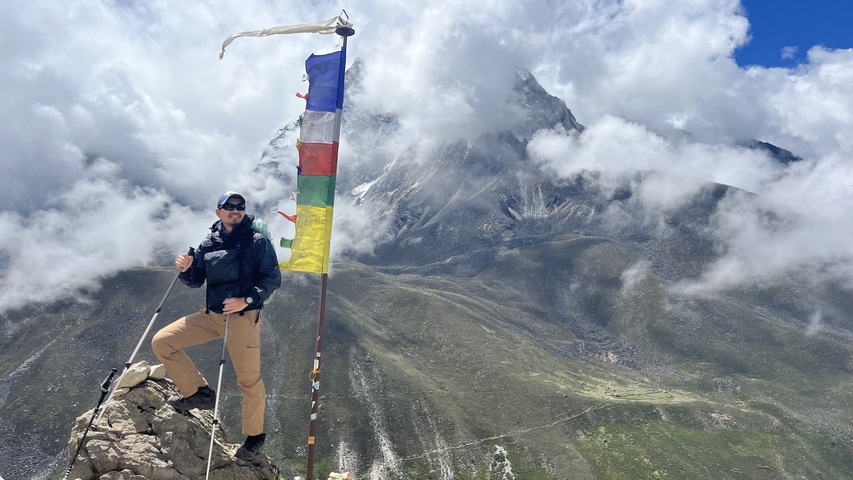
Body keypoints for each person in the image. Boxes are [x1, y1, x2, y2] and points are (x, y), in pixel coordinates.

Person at [152, 191, 281, 461]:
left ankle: (255, 436)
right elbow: (197, 279)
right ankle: (199, 393)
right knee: (163, 342)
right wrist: (187, 268)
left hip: (243, 319)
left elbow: (272, 278)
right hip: (210, 315)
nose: (236, 210)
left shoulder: (257, 241)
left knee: (248, 379)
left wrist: (246, 300)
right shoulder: (209, 242)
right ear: (218, 212)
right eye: (229, 206)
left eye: (240, 207)